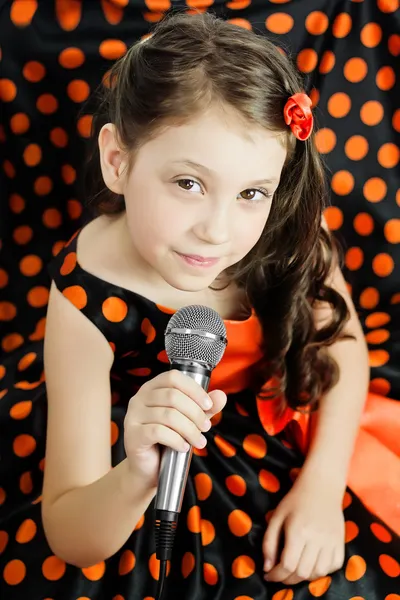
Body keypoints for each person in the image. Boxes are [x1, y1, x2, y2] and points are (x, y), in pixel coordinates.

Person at [0, 12, 399, 600]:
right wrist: (139, 470)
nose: (216, 230)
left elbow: (343, 352)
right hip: (143, 435)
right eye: (188, 183)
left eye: (250, 193)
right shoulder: (88, 290)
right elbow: (71, 533)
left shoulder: (285, 232)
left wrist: (320, 489)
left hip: (278, 418)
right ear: (118, 161)